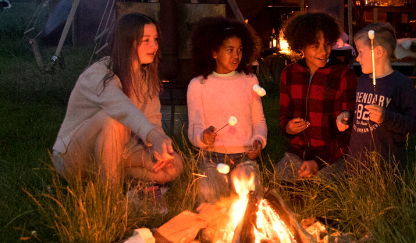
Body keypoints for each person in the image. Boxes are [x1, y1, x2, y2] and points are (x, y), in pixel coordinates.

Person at [52, 13, 184, 189]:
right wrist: (154, 136)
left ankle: (115, 174)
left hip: (118, 152)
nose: (154, 46)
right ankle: (110, 199)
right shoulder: (99, 74)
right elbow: (124, 110)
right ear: (127, 43)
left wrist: (157, 144)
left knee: (174, 165)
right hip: (75, 156)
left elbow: (152, 121)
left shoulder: (146, 78)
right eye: (146, 40)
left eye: (155, 39)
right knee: (113, 120)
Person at [187, 17, 267, 204]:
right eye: (230, 50)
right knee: (211, 208)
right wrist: (202, 136)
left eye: (239, 50)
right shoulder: (198, 85)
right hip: (211, 158)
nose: (236, 56)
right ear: (214, 52)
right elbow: (194, 127)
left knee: (251, 206)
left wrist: (258, 141)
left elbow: (259, 121)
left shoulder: (250, 81)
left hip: (244, 157)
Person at [276, 11, 357, 182]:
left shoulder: (344, 75)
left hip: (332, 155)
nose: (323, 51)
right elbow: (284, 116)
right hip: (296, 153)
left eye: (327, 44)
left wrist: (319, 162)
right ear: (300, 47)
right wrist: (288, 128)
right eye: (315, 46)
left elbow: (350, 129)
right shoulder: (289, 74)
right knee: (279, 189)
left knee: (321, 194)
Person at [337, 22, 416, 173]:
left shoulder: (401, 84)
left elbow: (415, 124)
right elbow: (362, 112)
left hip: (385, 168)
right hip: (356, 164)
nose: (357, 58)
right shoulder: (363, 80)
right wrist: (349, 116)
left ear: (378, 52)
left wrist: (386, 117)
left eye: (361, 52)